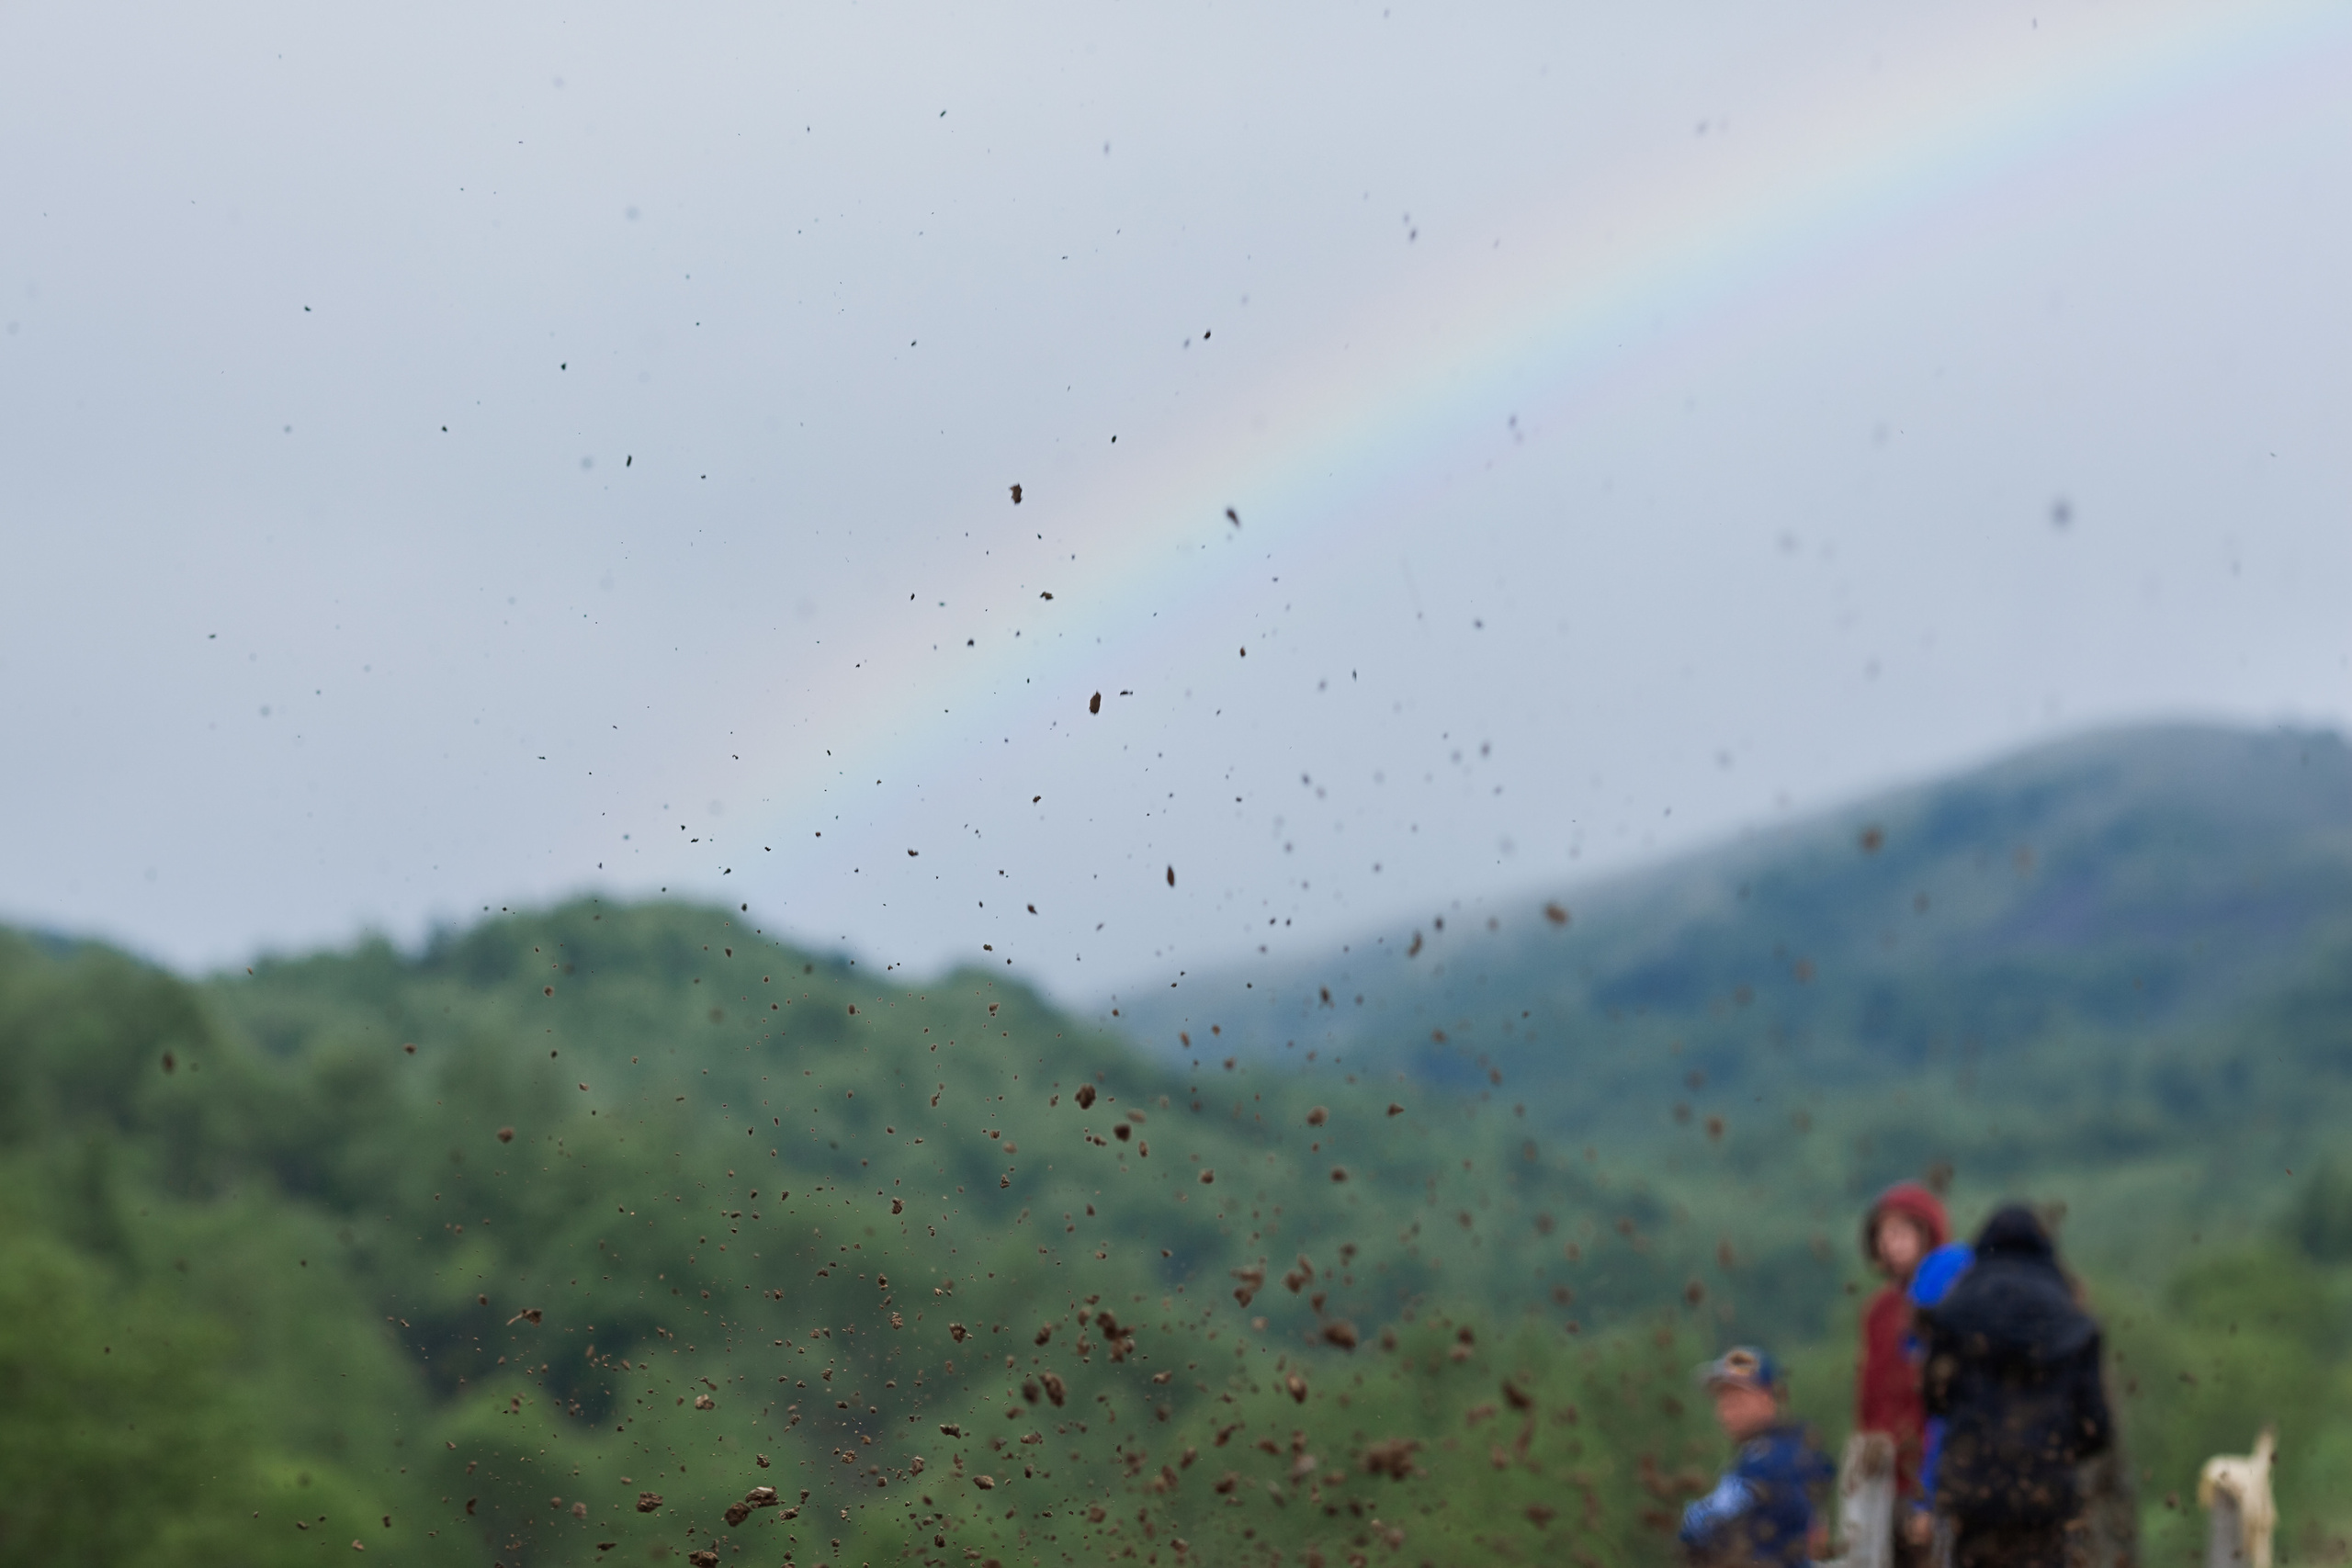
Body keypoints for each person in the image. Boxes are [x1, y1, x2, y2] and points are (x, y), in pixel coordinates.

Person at [1921, 1205, 2112, 1568]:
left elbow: (1934, 1399)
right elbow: (2097, 1426)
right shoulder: (2076, 1324)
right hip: (2045, 1497)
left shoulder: (1951, 1314)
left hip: (1972, 1493)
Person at [1858, 1180, 1951, 1555]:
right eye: (1882, 1234)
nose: (1889, 1244)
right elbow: (1868, 1394)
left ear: (1927, 1235)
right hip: (1883, 1474)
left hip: (1930, 1467)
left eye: (1899, 1232)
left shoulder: (1949, 1302)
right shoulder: (1879, 1311)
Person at [1679, 1347, 1834, 1568]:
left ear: (1767, 1397)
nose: (1727, 1408)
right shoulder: (1794, 1445)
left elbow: (1700, 1525)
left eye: (1737, 1395)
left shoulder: (1769, 1458)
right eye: (1722, 1397)